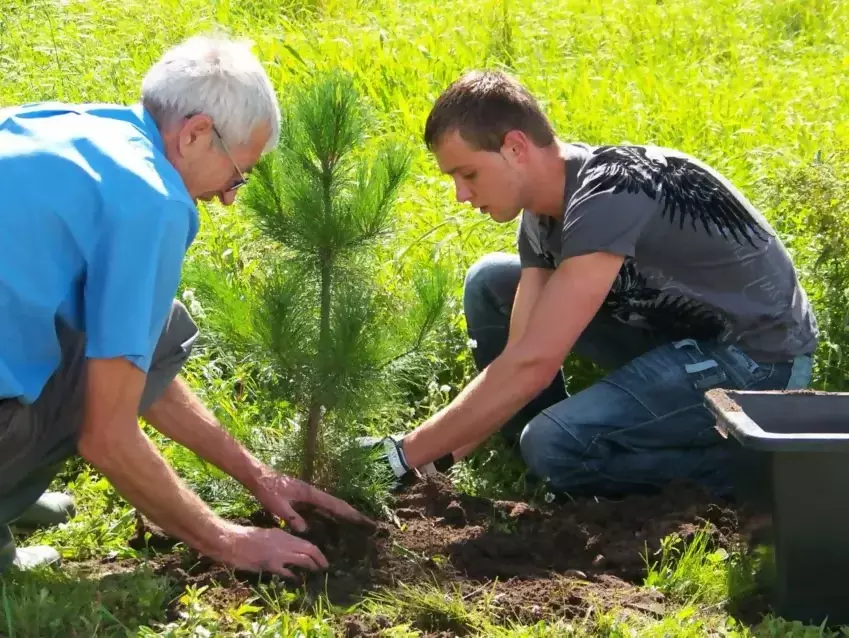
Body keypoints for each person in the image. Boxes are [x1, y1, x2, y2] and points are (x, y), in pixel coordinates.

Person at [0, 35, 371, 575]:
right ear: (196, 133)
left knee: (159, 330)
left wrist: (255, 473)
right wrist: (229, 541)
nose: (229, 195)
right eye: (236, 173)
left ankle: (13, 486)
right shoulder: (152, 201)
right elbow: (107, 434)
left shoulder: (65, 125)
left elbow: (134, 357)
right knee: (132, 361)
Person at [371, 70, 817, 498]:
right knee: (491, 282)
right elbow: (519, 355)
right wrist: (428, 463)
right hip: (677, 345)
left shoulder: (612, 190)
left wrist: (399, 455)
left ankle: (767, 472)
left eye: (467, 174)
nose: (461, 195)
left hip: (758, 363)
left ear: (514, 148)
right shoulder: (541, 219)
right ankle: (543, 461)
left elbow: (534, 363)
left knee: (552, 444)